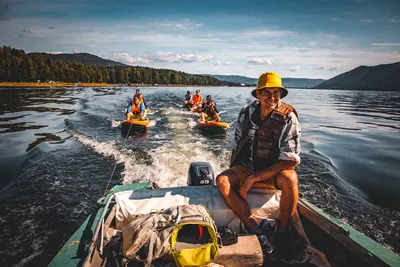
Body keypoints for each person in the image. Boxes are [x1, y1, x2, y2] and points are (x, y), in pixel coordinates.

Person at [216, 72, 301, 253]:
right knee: (222, 181)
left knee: (291, 179)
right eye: (266, 92)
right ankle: (255, 227)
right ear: (258, 94)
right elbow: (236, 145)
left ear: (281, 94)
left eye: (276, 92)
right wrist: (235, 174)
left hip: (274, 171)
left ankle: (284, 230)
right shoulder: (246, 113)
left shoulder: (288, 118)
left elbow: (290, 161)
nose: (271, 97)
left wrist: (253, 179)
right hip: (248, 166)